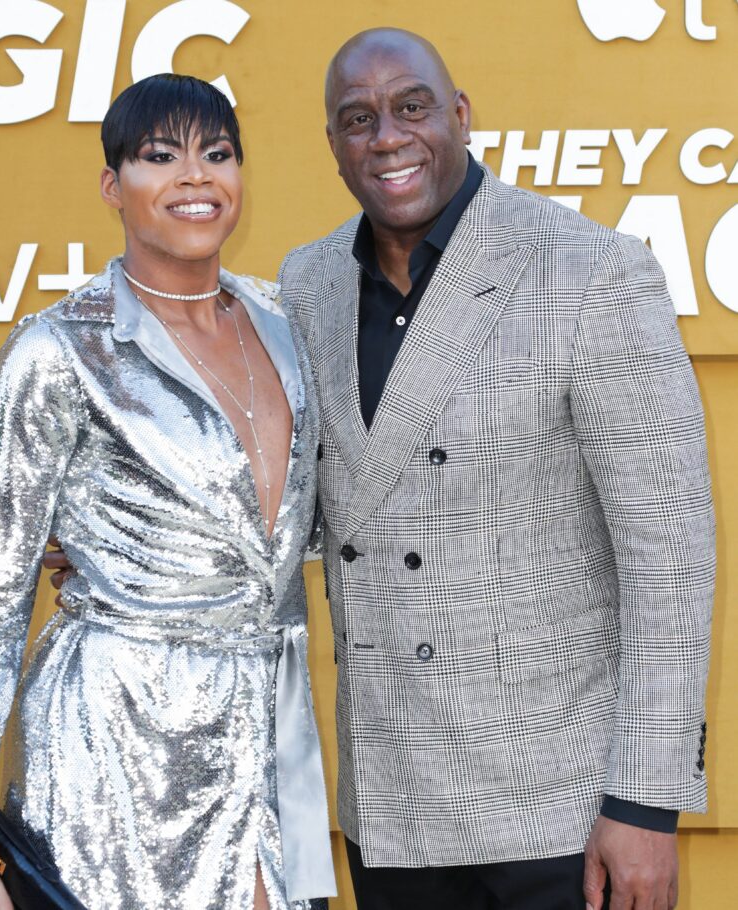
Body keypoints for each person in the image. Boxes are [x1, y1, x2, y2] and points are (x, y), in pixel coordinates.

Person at [275, 28, 715, 910]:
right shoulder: (307, 284)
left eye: (411, 107)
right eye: (357, 119)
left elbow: (670, 556)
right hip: (392, 806)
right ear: (332, 147)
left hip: (563, 809)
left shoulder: (588, 268)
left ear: (462, 116)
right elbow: (316, 503)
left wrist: (644, 803)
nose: (387, 138)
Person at [0, 74, 335, 910]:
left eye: (218, 154)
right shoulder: (59, 351)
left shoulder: (287, 327)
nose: (195, 177)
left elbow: (298, 528)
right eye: (161, 157)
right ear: (111, 185)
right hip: (116, 747)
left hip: (268, 729)